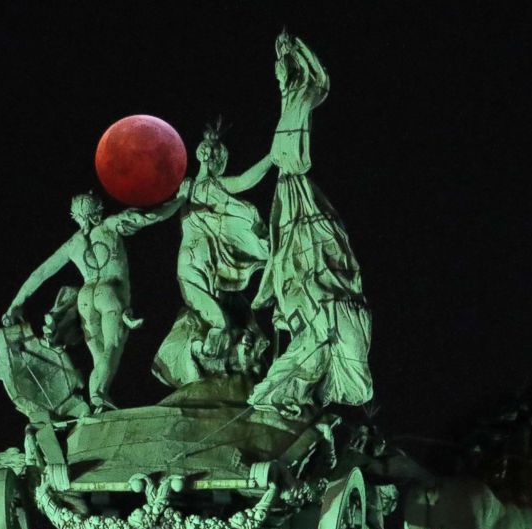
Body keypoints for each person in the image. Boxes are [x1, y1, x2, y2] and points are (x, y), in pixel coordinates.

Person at [249, 32, 374, 415]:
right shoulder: (289, 97)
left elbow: (320, 81)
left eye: (286, 72)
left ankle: (284, 391)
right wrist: (284, 60)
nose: (282, 76)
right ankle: (276, 393)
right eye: (279, 73)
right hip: (289, 188)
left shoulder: (304, 94)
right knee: (297, 250)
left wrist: (296, 51)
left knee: (313, 245)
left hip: (295, 185)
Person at [3, 192, 177, 410]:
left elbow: (41, 273)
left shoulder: (73, 243)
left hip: (86, 297)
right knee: (113, 346)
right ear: (98, 211)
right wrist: (179, 200)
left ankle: (98, 401)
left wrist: (15, 304)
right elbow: (150, 217)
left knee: (99, 356)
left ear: (75, 216)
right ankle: (98, 394)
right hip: (110, 292)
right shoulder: (111, 225)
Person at [152, 125, 274, 387]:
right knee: (215, 318)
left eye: (214, 155)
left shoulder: (215, 185)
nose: (212, 159)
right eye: (211, 155)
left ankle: (207, 358)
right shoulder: (188, 186)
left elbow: (245, 180)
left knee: (217, 313)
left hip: (214, 263)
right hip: (192, 261)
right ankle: (198, 356)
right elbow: (243, 181)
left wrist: (273, 157)